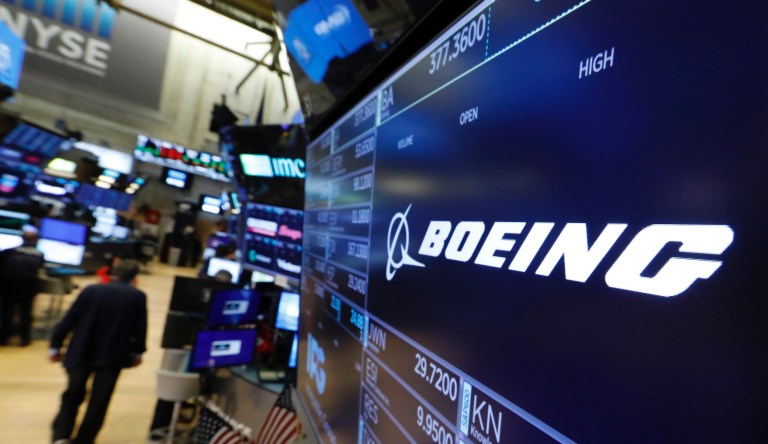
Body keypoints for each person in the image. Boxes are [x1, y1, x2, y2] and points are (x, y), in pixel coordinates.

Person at [49, 259, 147, 444]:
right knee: (99, 402)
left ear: (113, 272)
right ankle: (85, 440)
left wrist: (55, 345)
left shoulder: (91, 290)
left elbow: (69, 320)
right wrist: (138, 352)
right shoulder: (137, 296)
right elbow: (140, 328)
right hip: (113, 355)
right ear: (135, 277)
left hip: (80, 351)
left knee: (72, 394)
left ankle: (60, 437)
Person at [0, 224, 45, 346]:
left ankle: (4, 338)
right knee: (26, 313)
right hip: (28, 288)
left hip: (8, 286)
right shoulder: (39, 255)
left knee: (6, 312)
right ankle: (24, 339)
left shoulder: (8, 252)